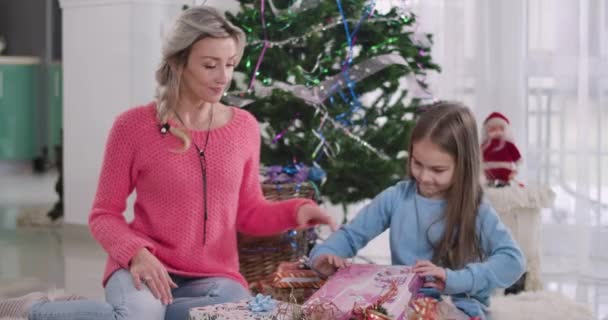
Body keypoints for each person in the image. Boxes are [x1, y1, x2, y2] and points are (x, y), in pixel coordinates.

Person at [0, 6, 336, 320]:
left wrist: (296, 212)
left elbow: (248, 213)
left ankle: (99, 313)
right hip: (143, 265)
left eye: (230, 64)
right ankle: (39, 308)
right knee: (145, 314)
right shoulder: (133, 127)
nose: (223, 77)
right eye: (209, 64)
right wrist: (136, 253)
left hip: (214, 277)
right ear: (178, 62)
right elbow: (104, 214)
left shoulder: (243, 127)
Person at [309, 102, 525, 320]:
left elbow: (513, 261)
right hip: (402, 304)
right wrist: (324, 254)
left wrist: (453, 279)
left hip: (458, 308)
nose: (423, 177)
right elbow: (351, 235)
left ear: (463, 166)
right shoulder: (396, 197)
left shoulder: (476, 209)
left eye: (437, 170)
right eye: (417, 163)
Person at [481, 111, 522, 187]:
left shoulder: (508, 145)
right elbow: (478, 160)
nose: (497, 132)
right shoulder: (484, 146)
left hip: (506, 176)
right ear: (487, 130)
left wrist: (515, 171)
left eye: (501, 128)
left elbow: (518, 160)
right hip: (488, 176)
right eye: (493, 129)